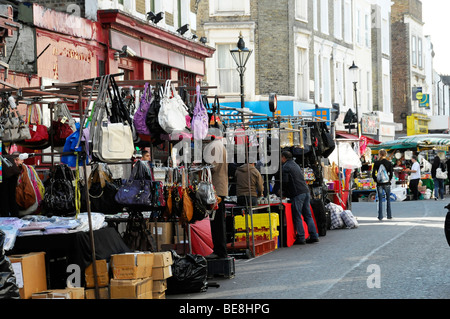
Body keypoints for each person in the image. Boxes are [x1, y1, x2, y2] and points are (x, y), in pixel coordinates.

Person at [281, 151, 319, 245]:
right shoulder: (295, 164)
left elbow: (285, 182)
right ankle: (314, 236)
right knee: (307, 215)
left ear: (284, 157)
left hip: (297, 193)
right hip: (305, 191)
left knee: (297, 215)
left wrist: (283, 193)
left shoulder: (285, 167)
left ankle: (301, 237)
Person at [206, 138, 228, 259]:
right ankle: (220, 250)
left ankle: (220, 251)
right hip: (221, 187)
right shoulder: (220, 145)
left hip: (216, 188)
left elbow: (213, 166)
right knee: (219, 221)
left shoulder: (214, 146)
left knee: (217, 222)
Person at [372, 149, 394, 220]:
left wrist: (376, 180)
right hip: (387, 183)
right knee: (388, 199)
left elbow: (373, 174)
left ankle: (380, 216)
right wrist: (388, 179)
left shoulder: (376, 163)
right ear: (385, 154)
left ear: (379, 154)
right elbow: (391, 173)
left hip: (379, 183)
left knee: (380, 199)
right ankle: (389, 215)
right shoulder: (389, 163)